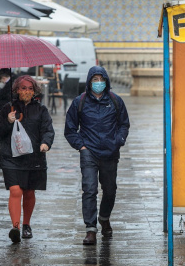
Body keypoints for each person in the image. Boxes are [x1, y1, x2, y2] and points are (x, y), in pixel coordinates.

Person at [64, 66, 130, 245]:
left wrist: (119, 140)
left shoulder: (116, 101)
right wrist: (82, 146)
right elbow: (70, 129)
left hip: (110, 152)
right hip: (89, 153)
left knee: (110, 190)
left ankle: (104, 217)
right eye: (95, 80)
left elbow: (124, 124)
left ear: (106, 81)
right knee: (89, 189)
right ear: (89, 81)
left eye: (101, 79)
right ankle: (90, 229)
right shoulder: (80, 102)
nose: (98, 83)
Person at [0, 75, 55, 243]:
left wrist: (45, 143)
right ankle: (16, 227)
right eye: (23, 88)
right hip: (11, 157)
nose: (27, 91)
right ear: (17, 90)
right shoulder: (8, 108)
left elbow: (48, 130)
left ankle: (26, 224)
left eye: (30, 88)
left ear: (35, 91)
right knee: (15, 190)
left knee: (29, 192)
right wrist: (8, 121)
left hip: (33, 157)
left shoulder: (41, 110)